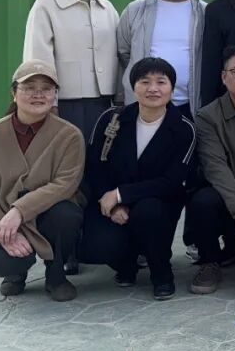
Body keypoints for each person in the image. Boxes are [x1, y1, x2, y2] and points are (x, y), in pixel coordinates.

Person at [0, 60, 85, 302]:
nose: (38, 95)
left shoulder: (69, 135)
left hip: (46, 212)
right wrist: (2, 227)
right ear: (14, 93)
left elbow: (65, 183)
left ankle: (56, 275)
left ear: (55, 95)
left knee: (67, 215)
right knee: (5, 261)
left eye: (46, 89)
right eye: (29, 88)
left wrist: (20, 211)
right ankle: (15, 274)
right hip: (1, 215)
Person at [79, 57, 196, 300]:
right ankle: (126, 263)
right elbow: (94, 167)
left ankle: (161, 274)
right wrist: (112, 203)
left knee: (148, 212)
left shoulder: (184, 128)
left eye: (161, 82)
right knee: (95, 246)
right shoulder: (112, 119)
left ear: (172, 89)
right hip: (110, 201)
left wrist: (121, 195)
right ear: (133, 87)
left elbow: (171, 181)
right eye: (145, 82)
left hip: (158, 203)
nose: (153, 88)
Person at [187, 45, 235, 294]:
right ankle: (210, 262)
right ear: (223, 76)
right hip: (230, 191)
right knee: (203, 201)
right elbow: (216, 169)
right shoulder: (207, 116)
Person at [23, 0, 119, 138]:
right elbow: (38, 57)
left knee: (101, 154)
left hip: (105, 102)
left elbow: (119, 54)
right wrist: (49, 102)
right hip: (65, 103)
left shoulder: (106, 7)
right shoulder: (45, 5)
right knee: (70, 153)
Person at [117, 0, 207, 118]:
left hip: (191, 106)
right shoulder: (135, 10)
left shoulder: (206, 13)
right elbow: (124, 53)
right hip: (143, 105)